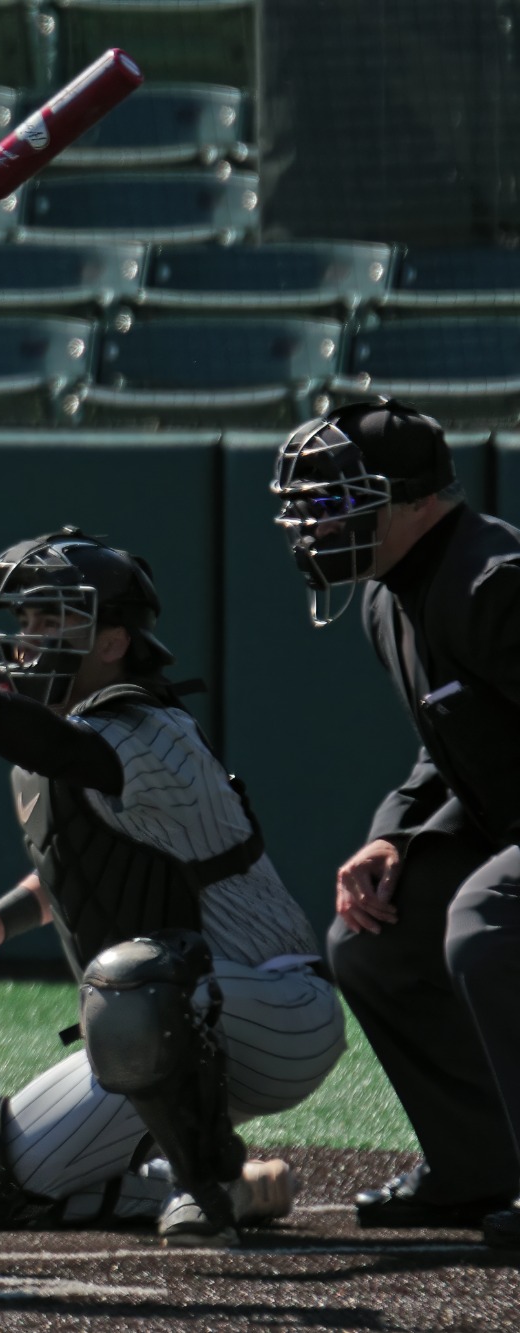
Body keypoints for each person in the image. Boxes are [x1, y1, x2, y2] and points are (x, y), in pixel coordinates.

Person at [0, 529, 344, 1247]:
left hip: (276, 1007)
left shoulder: (151, 728)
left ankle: (206, 1180)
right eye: (24, 619)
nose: (26, 637)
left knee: (135, 983)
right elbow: (82, 866)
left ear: (114, 642)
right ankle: (228, 1187)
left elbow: (62, 749)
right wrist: (0, 921)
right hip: (167, 1022)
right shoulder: (62, 737)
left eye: (50, 619)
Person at [269, 399, 520, 1245]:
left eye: (336, 500)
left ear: (415, 498)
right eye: (309, 504)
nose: (313, 523)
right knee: (373, 937)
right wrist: (393, 835)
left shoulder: (497, 580)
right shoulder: (389, 594)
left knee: (487, 924)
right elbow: (447, 748)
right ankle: (479, 1165)